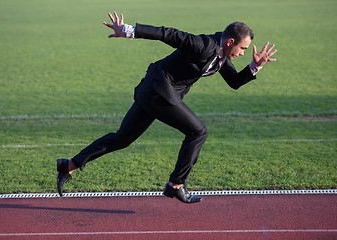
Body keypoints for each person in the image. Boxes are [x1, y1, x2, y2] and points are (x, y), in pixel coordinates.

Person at [57, 12, 277, 203]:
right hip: (158, 91)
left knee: (122, 138)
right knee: (198, 131)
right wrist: (128, 30)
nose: (243, 53)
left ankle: (69, 165)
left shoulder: (221, 58)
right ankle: (176, 185)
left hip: (152, 92)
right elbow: (167, 33)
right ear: (230, 42)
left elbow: (235, 82)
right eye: (243, 49)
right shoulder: (203, 45)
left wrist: (254, 66)